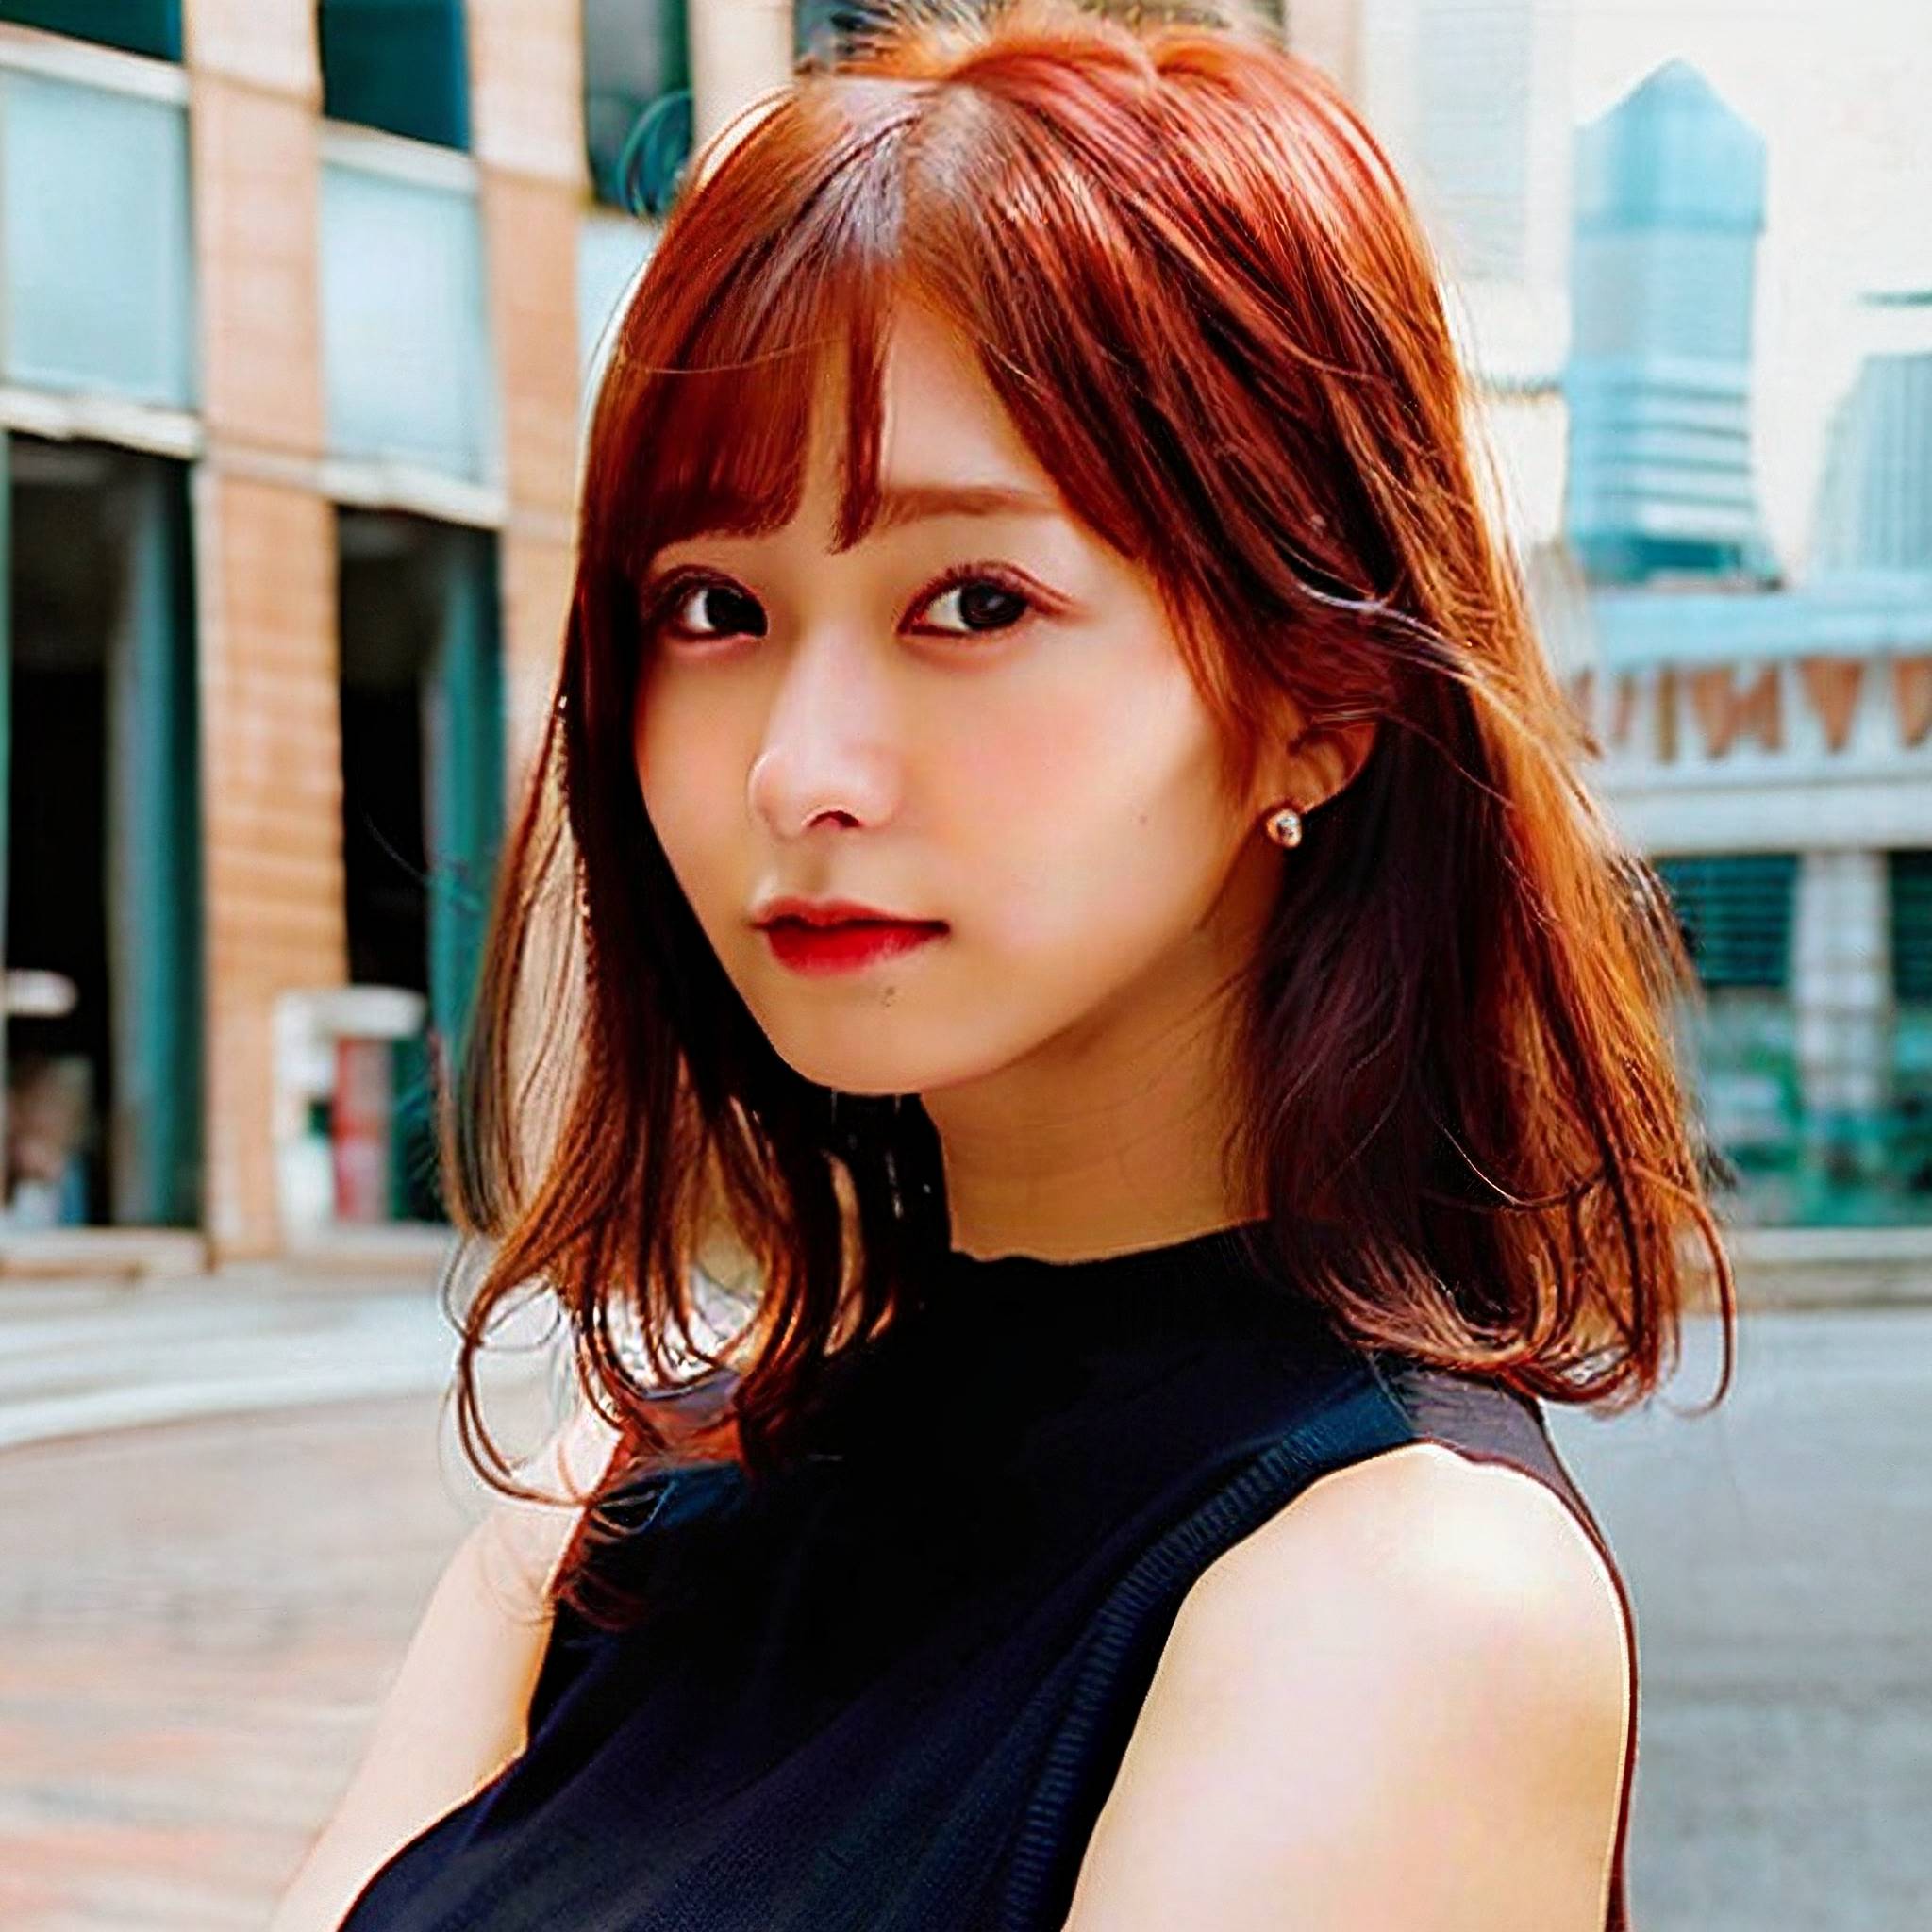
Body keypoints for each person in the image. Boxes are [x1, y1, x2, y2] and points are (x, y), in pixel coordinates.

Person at [274, 2, 1737, 1926]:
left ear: (1316, 698)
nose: (799, 767)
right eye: (712, 608)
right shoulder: (611, 1502)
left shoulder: (1391, 1593)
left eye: (974, 602)